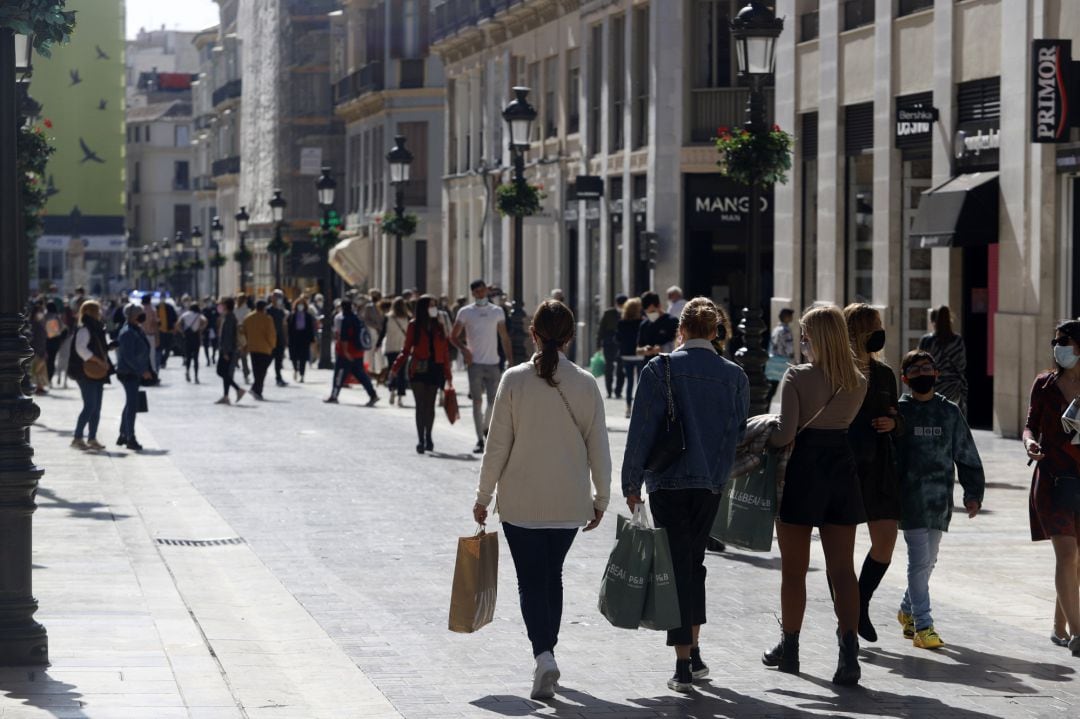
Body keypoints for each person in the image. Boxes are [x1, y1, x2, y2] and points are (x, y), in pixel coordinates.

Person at [472, 300, 610, 701]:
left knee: (531, 581)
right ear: (570, 337)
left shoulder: (514, 380)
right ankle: (548, 650)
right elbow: (598, 446)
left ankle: (543, 654)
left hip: (521, 501)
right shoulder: (586, 383)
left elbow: (496, 446)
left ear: (533, 334)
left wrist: (483, 496)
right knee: (553, 576)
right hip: (569, 502)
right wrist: (601, 497)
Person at [622, 298, 749, 692]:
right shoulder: (735, 376)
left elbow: (642, 429)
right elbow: (738, 434)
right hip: (709, 482)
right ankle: (693, 652)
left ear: (681, 330)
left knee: (677, 567)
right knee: (694, 564)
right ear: (715, 331)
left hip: (668, 481)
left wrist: (631, 482)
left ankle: (682, 662)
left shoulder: (660, 369)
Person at [763, 304, 867, 686]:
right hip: (841, 468)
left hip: (804, 470)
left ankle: (789, 649)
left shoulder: (797, 377)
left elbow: (786, 434)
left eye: (805, 336)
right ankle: (848, 655)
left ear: (815, 339)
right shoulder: (858, 380)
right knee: (843, 569)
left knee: (794, 570)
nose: (802, 343)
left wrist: (765, 436)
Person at [895, 349, 984, 649]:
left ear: (937, 374)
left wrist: (973, 493)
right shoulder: (898, 413)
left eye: (927, 368)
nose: (922, 374)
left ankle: (907, 609)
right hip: (910, 501)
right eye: (915, 370)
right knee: (919, 562)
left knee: (929, 561)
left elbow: (966, 453)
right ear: (905, 378)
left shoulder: (949, 412)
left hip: (940, 501)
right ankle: (923, 625)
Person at [843, 303, 905, 644]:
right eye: (876, 325)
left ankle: (861, 600)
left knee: (885, 542)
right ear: (860, 331)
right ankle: (848, 621)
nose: (882, 331)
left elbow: (899, 415)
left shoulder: (884, 375)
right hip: (846, 466)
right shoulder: (837, 371)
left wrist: (893, 422)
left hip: (880, 466)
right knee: (842, 551)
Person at [1024, 320, 1080, 656]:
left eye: (1065, 341)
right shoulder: (1044, 384)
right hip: (1052, 479)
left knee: (1077, 560)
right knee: (1067, 554)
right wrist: (1029, 444)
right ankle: (1078, 633)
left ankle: (1059, 625)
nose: (1058, 347)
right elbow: (1029, 426)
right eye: (1055, 341)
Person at [451, 279, 513, 454]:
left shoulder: (497, 311)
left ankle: (487, 429)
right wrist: (465, 351)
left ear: (486, 290)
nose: (480, 294)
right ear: (472, 294)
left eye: (482, 291)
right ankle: (479, 439)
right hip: (475, 363)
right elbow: (453, 336)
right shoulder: (465, 312)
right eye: (476, 292)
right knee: (477, 402)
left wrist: (510, 361)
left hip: (493, 362)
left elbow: (504, 337)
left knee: (493, 402)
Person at [390, 295, 454, 453]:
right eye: (431, 305)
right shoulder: (414, 325)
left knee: (430, 405)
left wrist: (448, 374)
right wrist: (395, 368)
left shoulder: (438, 326)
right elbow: (406, 349)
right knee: (420, 405)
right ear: (423, 307)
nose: (434, 308)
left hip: (435, 368)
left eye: (435, 304)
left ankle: (429, 436)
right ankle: (420, 439)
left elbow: (444, 351)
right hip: (418, 367)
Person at [69, 300, 113, 451]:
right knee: (90, 406)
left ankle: (92, 438)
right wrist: (100, 362)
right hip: (85, 372)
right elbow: (82, 350)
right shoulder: (84, 329)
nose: (100, 313)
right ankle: (77, 437)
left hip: (96, 373)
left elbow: (97, 347)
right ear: (90, 312)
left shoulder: (95, 329)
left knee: (96, 407)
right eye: (97, 311)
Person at [325, 299, 379, 406]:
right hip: (358, 352)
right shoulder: (358, 318)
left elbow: (344, 338)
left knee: (339, 375)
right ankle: (373, 395)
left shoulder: (345, 319)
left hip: (346, 353)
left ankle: (334, 396)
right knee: (361, 376)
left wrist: (345, 352)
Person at [116, 303, 153, 451]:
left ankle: (123, 434)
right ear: (132, 316)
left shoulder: (136, 329)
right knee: (132, 406)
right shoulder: (128, 333)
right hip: (129, 373)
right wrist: (141, 370)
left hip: (133, 372)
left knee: (130, 404)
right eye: (140, 314)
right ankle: (130, 437)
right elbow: (128, 356)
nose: (143, 316)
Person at [919, 305, 968, 416]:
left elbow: (919, 364)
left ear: (933, 321)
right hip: (954, 388)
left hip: (932, 387)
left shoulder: (927, 341)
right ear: (950, 320)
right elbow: (961, 365)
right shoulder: (957, 341)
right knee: (954, 420)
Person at [242, 300, 277, 401]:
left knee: (256, 370)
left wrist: (245, 345)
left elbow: (242, 331)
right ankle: (257, 389)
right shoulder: (267, 319)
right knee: (262, 371)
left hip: (252, 348)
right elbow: (271, 334)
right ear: (264, 308)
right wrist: (272, 345)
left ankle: (256, 389)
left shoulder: (248, 318)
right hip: (265, 349)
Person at [616, 297, 645, 419]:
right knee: (640, 382)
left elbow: (617, 339)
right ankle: (640, 408)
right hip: (639, 354)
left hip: (626, 355)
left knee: (629, 382)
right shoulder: (642, 322)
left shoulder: (621, 323)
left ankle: (628, 408)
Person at [215, 297, 246, 405]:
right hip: (228, 350)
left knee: (221, 371)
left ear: (226, 306)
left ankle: (238, 390)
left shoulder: (229, 318)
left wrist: (225, 352)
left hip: (227, 351)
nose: (220, 306)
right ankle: (226, 396)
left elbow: (227, 337)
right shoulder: (228, 317)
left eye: (222, 304)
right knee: (226, 374)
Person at [597, 294, 627, 400]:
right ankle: (609, 391)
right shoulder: (608, 313)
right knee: (609, 368)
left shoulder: (628, 313)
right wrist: (599, 344)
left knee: (620, 369)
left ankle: (618, 391)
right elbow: (601, 329)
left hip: (621, 344)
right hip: (609, 343)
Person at [382, 297, 411, 406]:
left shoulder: (388, 318)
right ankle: (400, 397)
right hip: (403, 349)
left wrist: (378, 344)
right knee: (402, 372)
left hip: (390, 347)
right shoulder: (407, 318)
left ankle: (392, 391)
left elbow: (383, 332)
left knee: (392, 370)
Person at [766, 308, 796, 405]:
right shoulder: (786, 330)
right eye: (791, 316)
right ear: (786, 317)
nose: (792, 318)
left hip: (773, 361)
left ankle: (766, 406)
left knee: (772, 387)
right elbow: (789, 347)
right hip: (782, 362)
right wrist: (793, 359)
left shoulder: (776, 329)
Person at [637, 291, 679, 358]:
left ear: (659, 305)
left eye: (652, 311)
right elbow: (638, 349)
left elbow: (679, 344)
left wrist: (662, 349)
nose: (650, 314)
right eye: (647, 313)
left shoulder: (672, 321)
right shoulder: (644, 324)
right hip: (649, 365)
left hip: (667, 364)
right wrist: (644, 350)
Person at [287, 297, 316, 383]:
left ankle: (302, 375)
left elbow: (311, 328)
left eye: (302, 304)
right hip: (294, 339)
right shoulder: (292, 315)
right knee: (294, 357)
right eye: (299, 304)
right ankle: (296, 369)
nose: (300, 306)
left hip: (304, 339)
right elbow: (289, 328)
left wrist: (312, 339)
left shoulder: (308, 316)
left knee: (303, 357)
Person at [178, 302, 208, 383]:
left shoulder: (185, 314)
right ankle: (196, 376)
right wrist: (201, 329)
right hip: (195, 337)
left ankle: (187, 371)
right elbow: (205, 321)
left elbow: (178, 324)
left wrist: (182, 332)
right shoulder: (199, 315)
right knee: (196, 358)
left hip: (187, 338)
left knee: (188, 356)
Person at [267, 290, 289, 387]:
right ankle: (260, 375)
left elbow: (284, 325)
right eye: (276, 297)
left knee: (278, 359)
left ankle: (278, 378)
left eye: (280, 297)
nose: (278, 299)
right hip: (270, 338)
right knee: (268, 359)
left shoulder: (281, 311)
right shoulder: (268, 310)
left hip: (279, 338)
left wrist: (285, 337)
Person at [43, 300, 67, 384]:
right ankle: (49, 378)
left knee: (45, 360)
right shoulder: (57, 317)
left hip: (45, 341)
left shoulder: (44, 317)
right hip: (55, 341)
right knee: (52, 360)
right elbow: (64, 329)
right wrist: (61, 340)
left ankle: (45, 378)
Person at [29, 301, 49, 395]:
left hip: (40, 350)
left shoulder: (39, 323)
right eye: (40, 311)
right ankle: (38, 387)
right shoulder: (34, 324)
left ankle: (39, 386)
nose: (42, 313)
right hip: (36, 351)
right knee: (37, 369)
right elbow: (36, 339)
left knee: (39, 369)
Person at [140, 294, 160, 373]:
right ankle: (153, 374)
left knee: (142, 356)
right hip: (150, 335)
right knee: (152, 356)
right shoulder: (152, 310)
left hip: (141, 336)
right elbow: (155, 324)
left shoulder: (140, 309)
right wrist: (157, 338)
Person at [234, 292, 252, 384]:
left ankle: (246, 372)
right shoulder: (235, 309)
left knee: (243, 354)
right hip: (238, 333)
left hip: (241, 333)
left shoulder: (247, 310)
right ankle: (245, 372)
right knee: (240, 354)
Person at [202, 299, 219, 367]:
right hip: (205, 330)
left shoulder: (215, 309)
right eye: (207, 302)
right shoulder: (203, 310)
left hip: (213, 329)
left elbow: (218, 318)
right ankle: (208, 359)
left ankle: (213, 356)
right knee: (205, 345)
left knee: (215, 344)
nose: (208, 303)